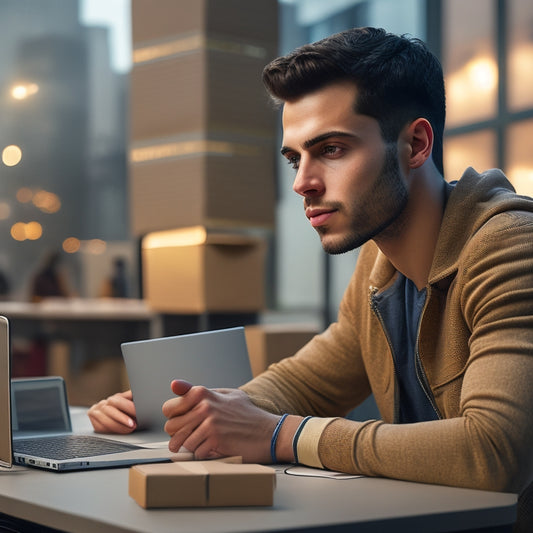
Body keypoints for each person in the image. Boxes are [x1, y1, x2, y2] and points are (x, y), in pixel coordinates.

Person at [88, 27, 533, 499]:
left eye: (331, 150)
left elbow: (495, 451)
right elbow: (305, 382)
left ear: (416, 145)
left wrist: (281, 435)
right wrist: (191, 411)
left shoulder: (509, 246)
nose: (303, 183)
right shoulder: (379, 267)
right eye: (293, 159)